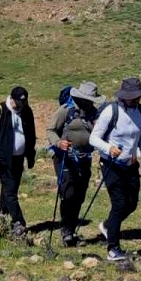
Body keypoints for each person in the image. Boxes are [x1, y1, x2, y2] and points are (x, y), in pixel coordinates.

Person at [90, 77, 141, 262]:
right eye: (132, 97)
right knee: (119, 203)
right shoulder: (111, 111)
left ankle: (109, 226)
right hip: (111, 164)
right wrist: (109, 148)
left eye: (137, 96)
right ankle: (113, 249)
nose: (135, 100)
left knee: (131, 203)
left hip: (131, 164)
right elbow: (94, 138)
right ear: (123, 96)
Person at [47, 82, 104, 246]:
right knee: (69, 191)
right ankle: (66, 230)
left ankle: (71, 230)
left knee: (79, 195)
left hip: (84, 158)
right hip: (64, 157)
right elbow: (50, 130)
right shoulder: (66, 110)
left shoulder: (94, 113)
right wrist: (59, 143)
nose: (88, 102)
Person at [0, 86, 36, 235]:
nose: (20, 105)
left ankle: (1, 216)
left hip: (18, 158)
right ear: (11, 98)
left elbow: (31, 134)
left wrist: (30, 156)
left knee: (9, 189)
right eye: (18, 101)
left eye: (23, 102)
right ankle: (19, 222)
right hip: (2, 158)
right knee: (10, 190)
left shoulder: (26, 111)